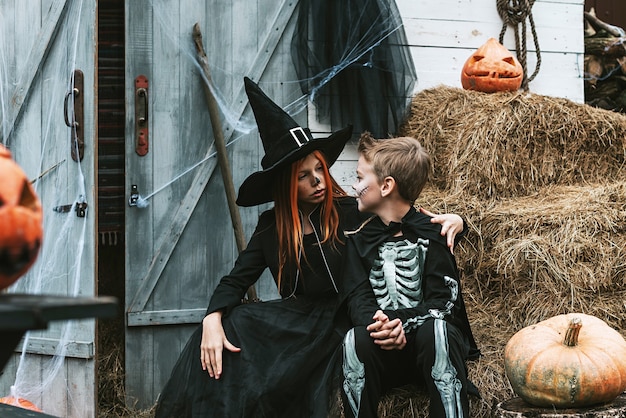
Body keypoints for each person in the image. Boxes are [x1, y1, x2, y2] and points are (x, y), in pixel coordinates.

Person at [154, 78, 466, 418]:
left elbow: (406, 215)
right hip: (302, 321)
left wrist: (458, 220)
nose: (318, 180)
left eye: (320, 168)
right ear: (287, 183)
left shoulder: (349, 210)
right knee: (236, 321)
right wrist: (211, 319)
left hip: (350, 314)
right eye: (304, 175)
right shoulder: (271, 228)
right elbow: (236, 280)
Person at [339, 133, 481, 418]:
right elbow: (357, 296)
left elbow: (445, 302)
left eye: (359, 178)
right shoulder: (358, 238)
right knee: (353, 340)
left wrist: (401, 322)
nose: (354, 187)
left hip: (429, 348)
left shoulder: (434, 231)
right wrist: (379, 326)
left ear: (386, 185)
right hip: (383, 346)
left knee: (438, 332)